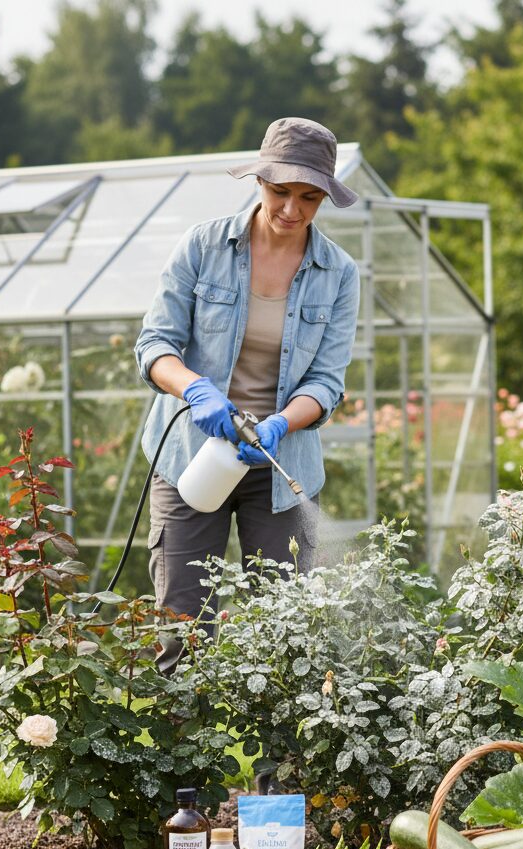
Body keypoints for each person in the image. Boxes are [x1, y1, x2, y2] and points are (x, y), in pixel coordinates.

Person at [134, 117, 360, 673]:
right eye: (280, 191)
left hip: (279, 465)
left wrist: (280, 423)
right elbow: (155, 343)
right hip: (192, 451)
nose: (292, 208)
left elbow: (327, 382)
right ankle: (182, 759)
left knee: (281, 633)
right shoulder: (204, 246)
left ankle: (275, 766)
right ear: (259, 181)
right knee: (183, 625)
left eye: (309, 197)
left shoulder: (339, 273)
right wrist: (196, 391)